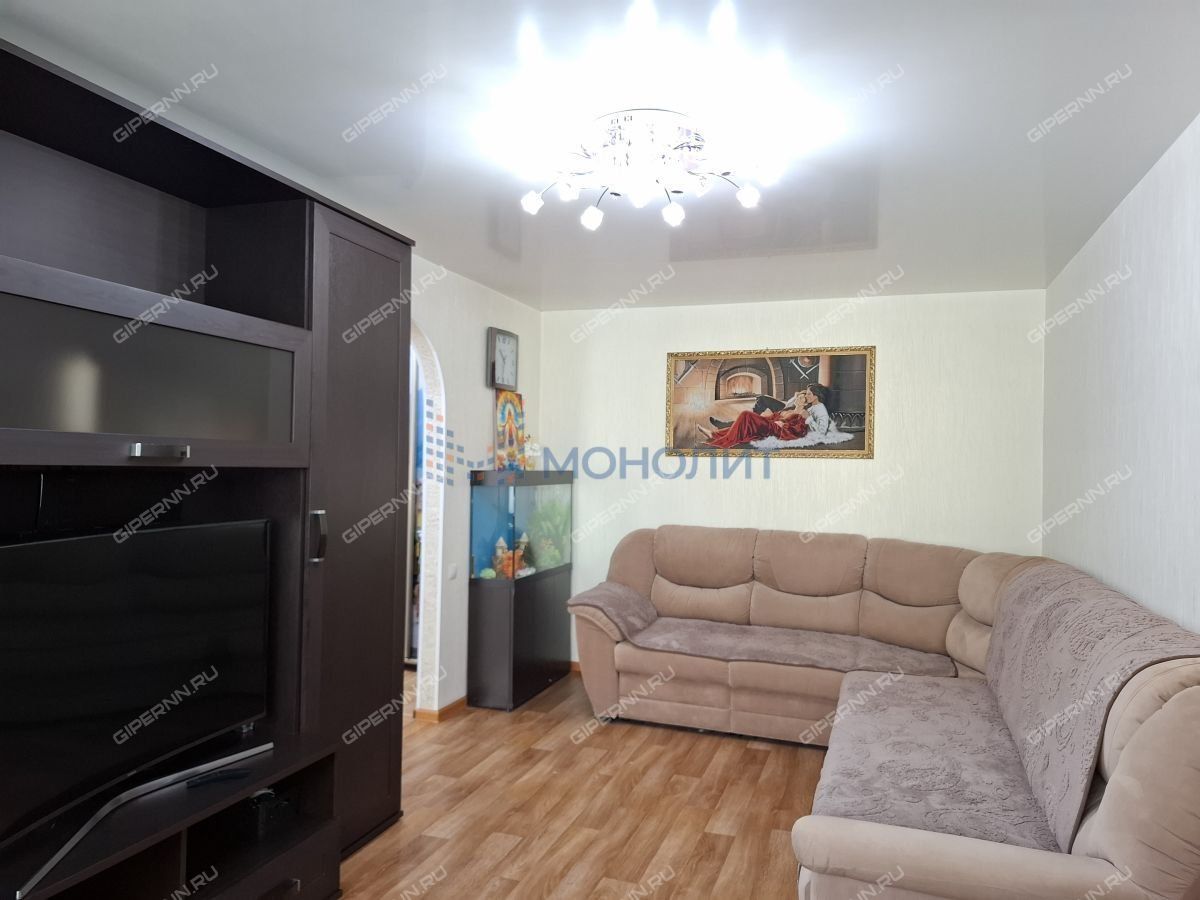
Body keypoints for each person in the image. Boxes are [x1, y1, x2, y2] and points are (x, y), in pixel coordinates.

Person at [699, 392, 808, 449]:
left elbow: (799, 431)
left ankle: (724, 441)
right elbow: (776, 416)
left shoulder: (802, 413)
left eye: (801, 398)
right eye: (798, 397)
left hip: (776, 430)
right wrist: (767, 419)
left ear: (806, 403)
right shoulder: (790, 409)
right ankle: (714, 434)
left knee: (746, 415)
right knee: (746, 422)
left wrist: (783, 425)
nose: (798, 398)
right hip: (770, 423)